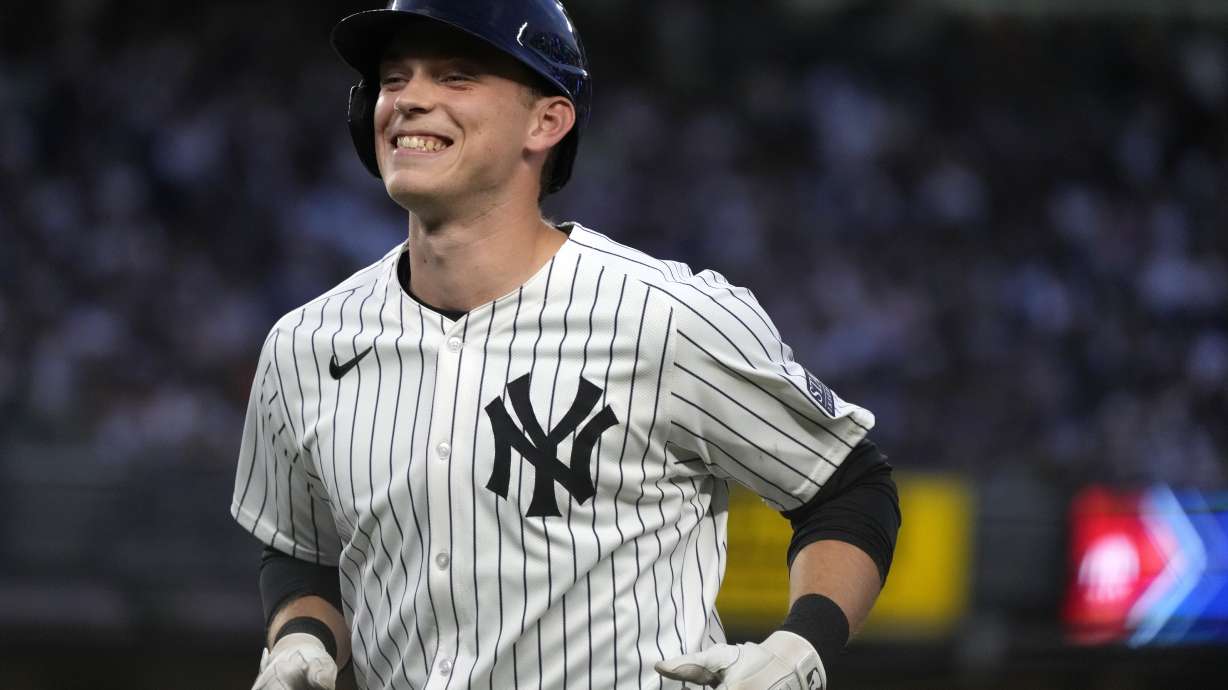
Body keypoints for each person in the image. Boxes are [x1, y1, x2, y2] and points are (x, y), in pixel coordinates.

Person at [230, 1, 901, 689]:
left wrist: (804, 644)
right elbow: (301, 550)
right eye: (395, 79)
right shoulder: (306, 346)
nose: (410, 100)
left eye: (456, 76)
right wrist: (300, 637)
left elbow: (849, 486)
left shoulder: (666, 319)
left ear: (546, 121)